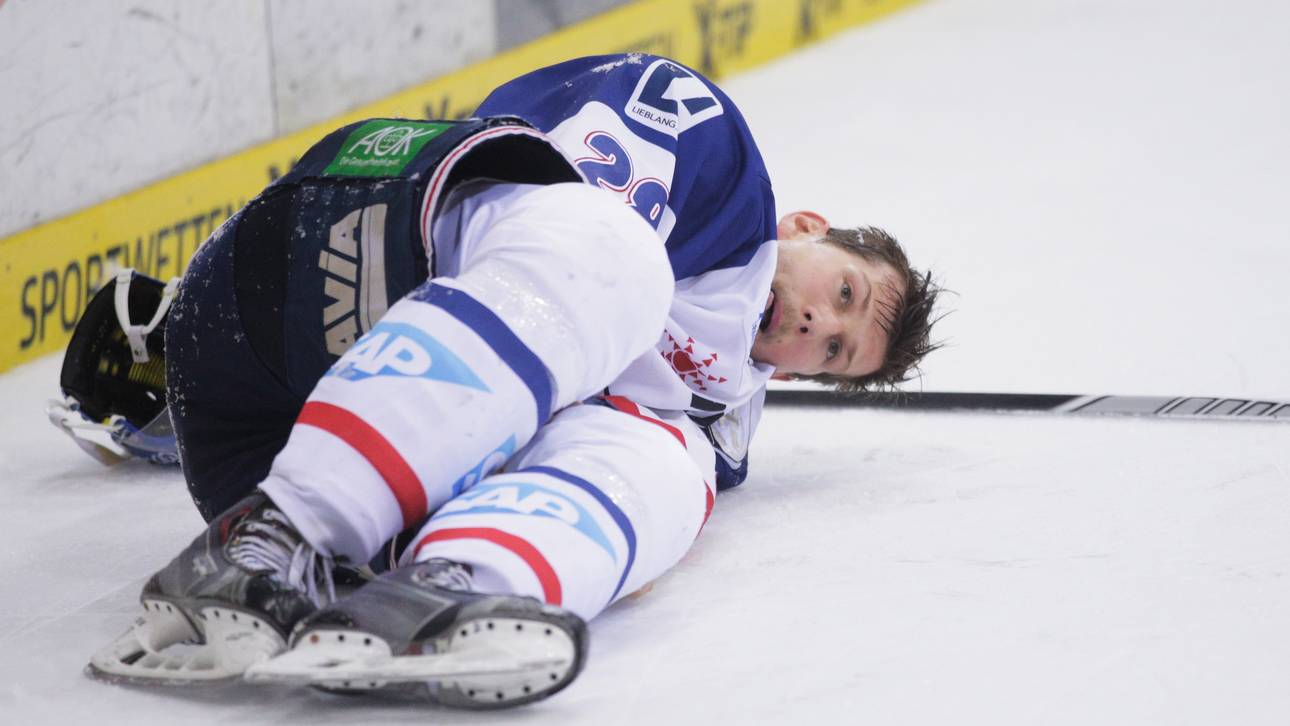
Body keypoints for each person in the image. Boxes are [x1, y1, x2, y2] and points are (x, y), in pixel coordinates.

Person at [74, 54, 940, 708]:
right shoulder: (716, 168)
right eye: (844, 294)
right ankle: (274, 538)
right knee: (617, 261)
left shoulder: (712, 425)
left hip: (255, 449)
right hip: (328, 248)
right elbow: (527, 183)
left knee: (671, 466)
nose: (818, 326)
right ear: (809, 227)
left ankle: (453, 588)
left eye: (834, 353)